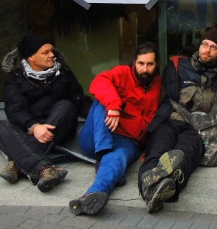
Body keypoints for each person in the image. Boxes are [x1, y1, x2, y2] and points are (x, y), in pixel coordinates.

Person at [136, 27, 217, 213]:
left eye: (213, 47)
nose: (207, 49)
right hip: (170, 120)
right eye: (204, 44)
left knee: (185, 155)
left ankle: (167, 189)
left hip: (197, 128)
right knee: (156, 151)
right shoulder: (178, 66)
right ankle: (149, 190)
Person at [69, 42, 162, 216]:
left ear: (156, 65)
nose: (145, 69)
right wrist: (114, 106)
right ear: (134, 62)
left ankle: (92, 195)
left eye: (150, 64)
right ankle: (103, 152)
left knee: (117, 157)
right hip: (98, 136)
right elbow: (99, 82)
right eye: (141, 63)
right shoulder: (122, 73)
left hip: (128, 140)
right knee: (101, 101)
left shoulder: (158, 85)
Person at [0, 34, 92, 192]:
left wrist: (102, 115)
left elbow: (80, 101)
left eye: (51, 51)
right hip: (30, 130)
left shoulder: (63, 73)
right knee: (3, 127)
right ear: (31, 57)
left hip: (57, 128)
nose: (52, 55)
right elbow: (15, 109)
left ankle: (17, 163)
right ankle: (44, 168)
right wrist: (33, 126)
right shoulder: (15, 78)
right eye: (45, 52)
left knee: (67, 106)